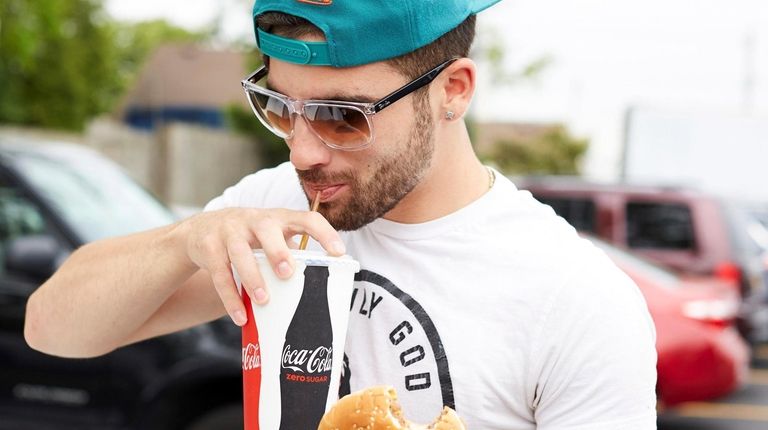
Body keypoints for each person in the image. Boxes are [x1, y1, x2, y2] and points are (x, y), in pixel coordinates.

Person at [24, 0, 657, 428]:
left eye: (343, 116)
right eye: (278, 105)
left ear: (453, 91)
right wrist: (186, 238)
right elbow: (54, 329)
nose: (302, 151)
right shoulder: (272, 208)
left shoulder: (576, 299)